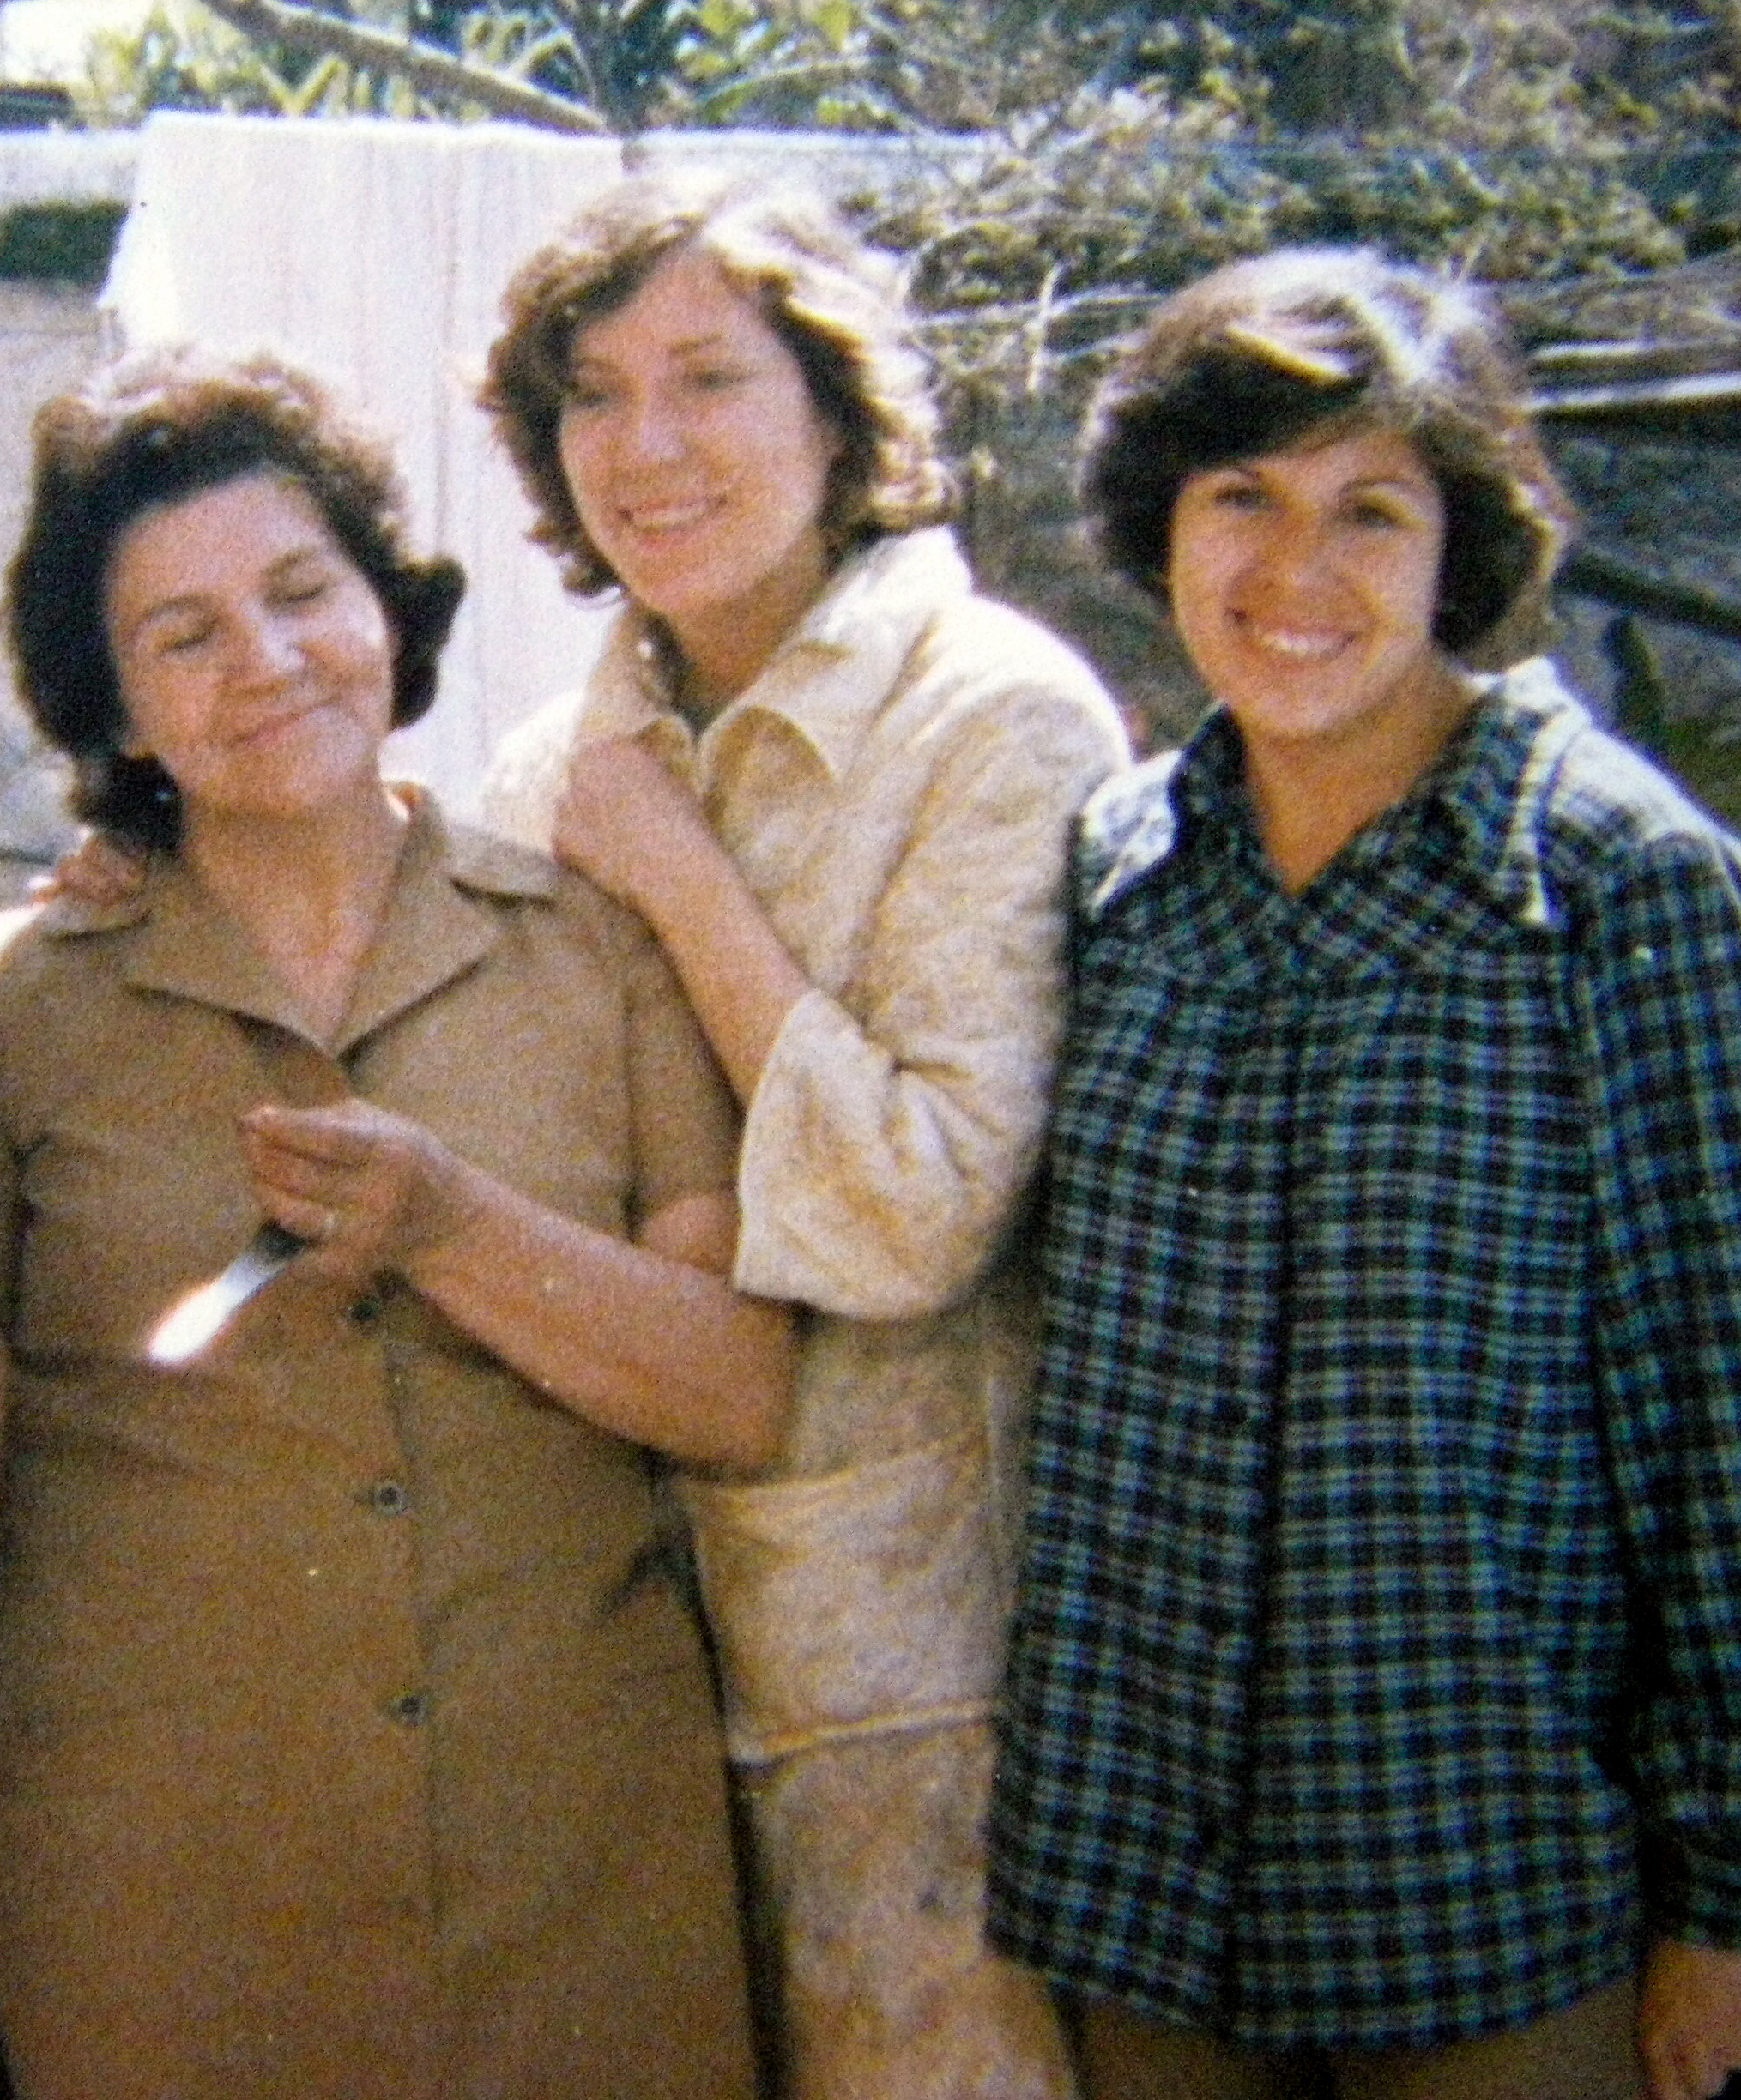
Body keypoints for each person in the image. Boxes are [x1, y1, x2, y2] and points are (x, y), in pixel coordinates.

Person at [988, 247, 1741, 2100]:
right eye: (1244, 499)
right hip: (1146, 1907)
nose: (1294, 576)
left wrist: (1736, 1906)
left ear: (1459, 549)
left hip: (1495, 1921)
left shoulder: (1628, 889)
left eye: (1369, 512)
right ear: (1164, 523)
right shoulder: (1116, 872)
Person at [0, 345, 787, 2100]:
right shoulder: (4, 1008)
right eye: (184, 635)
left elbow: (737, 1391)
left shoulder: (594, 945)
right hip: (157, 1925)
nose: (267, 663)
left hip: (579, 1900)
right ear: (116, 707)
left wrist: (451, 1226)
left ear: (390, 608)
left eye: (305, 593)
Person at [470, 172, 1130, 2098]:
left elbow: (912, 1216)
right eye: (591, 393)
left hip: (919, 1690)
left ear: (839, 413)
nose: (646, 447)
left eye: (708, 379)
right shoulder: (546, 762)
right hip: (609, 1672)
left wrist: (686, 889)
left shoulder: (994, 718)